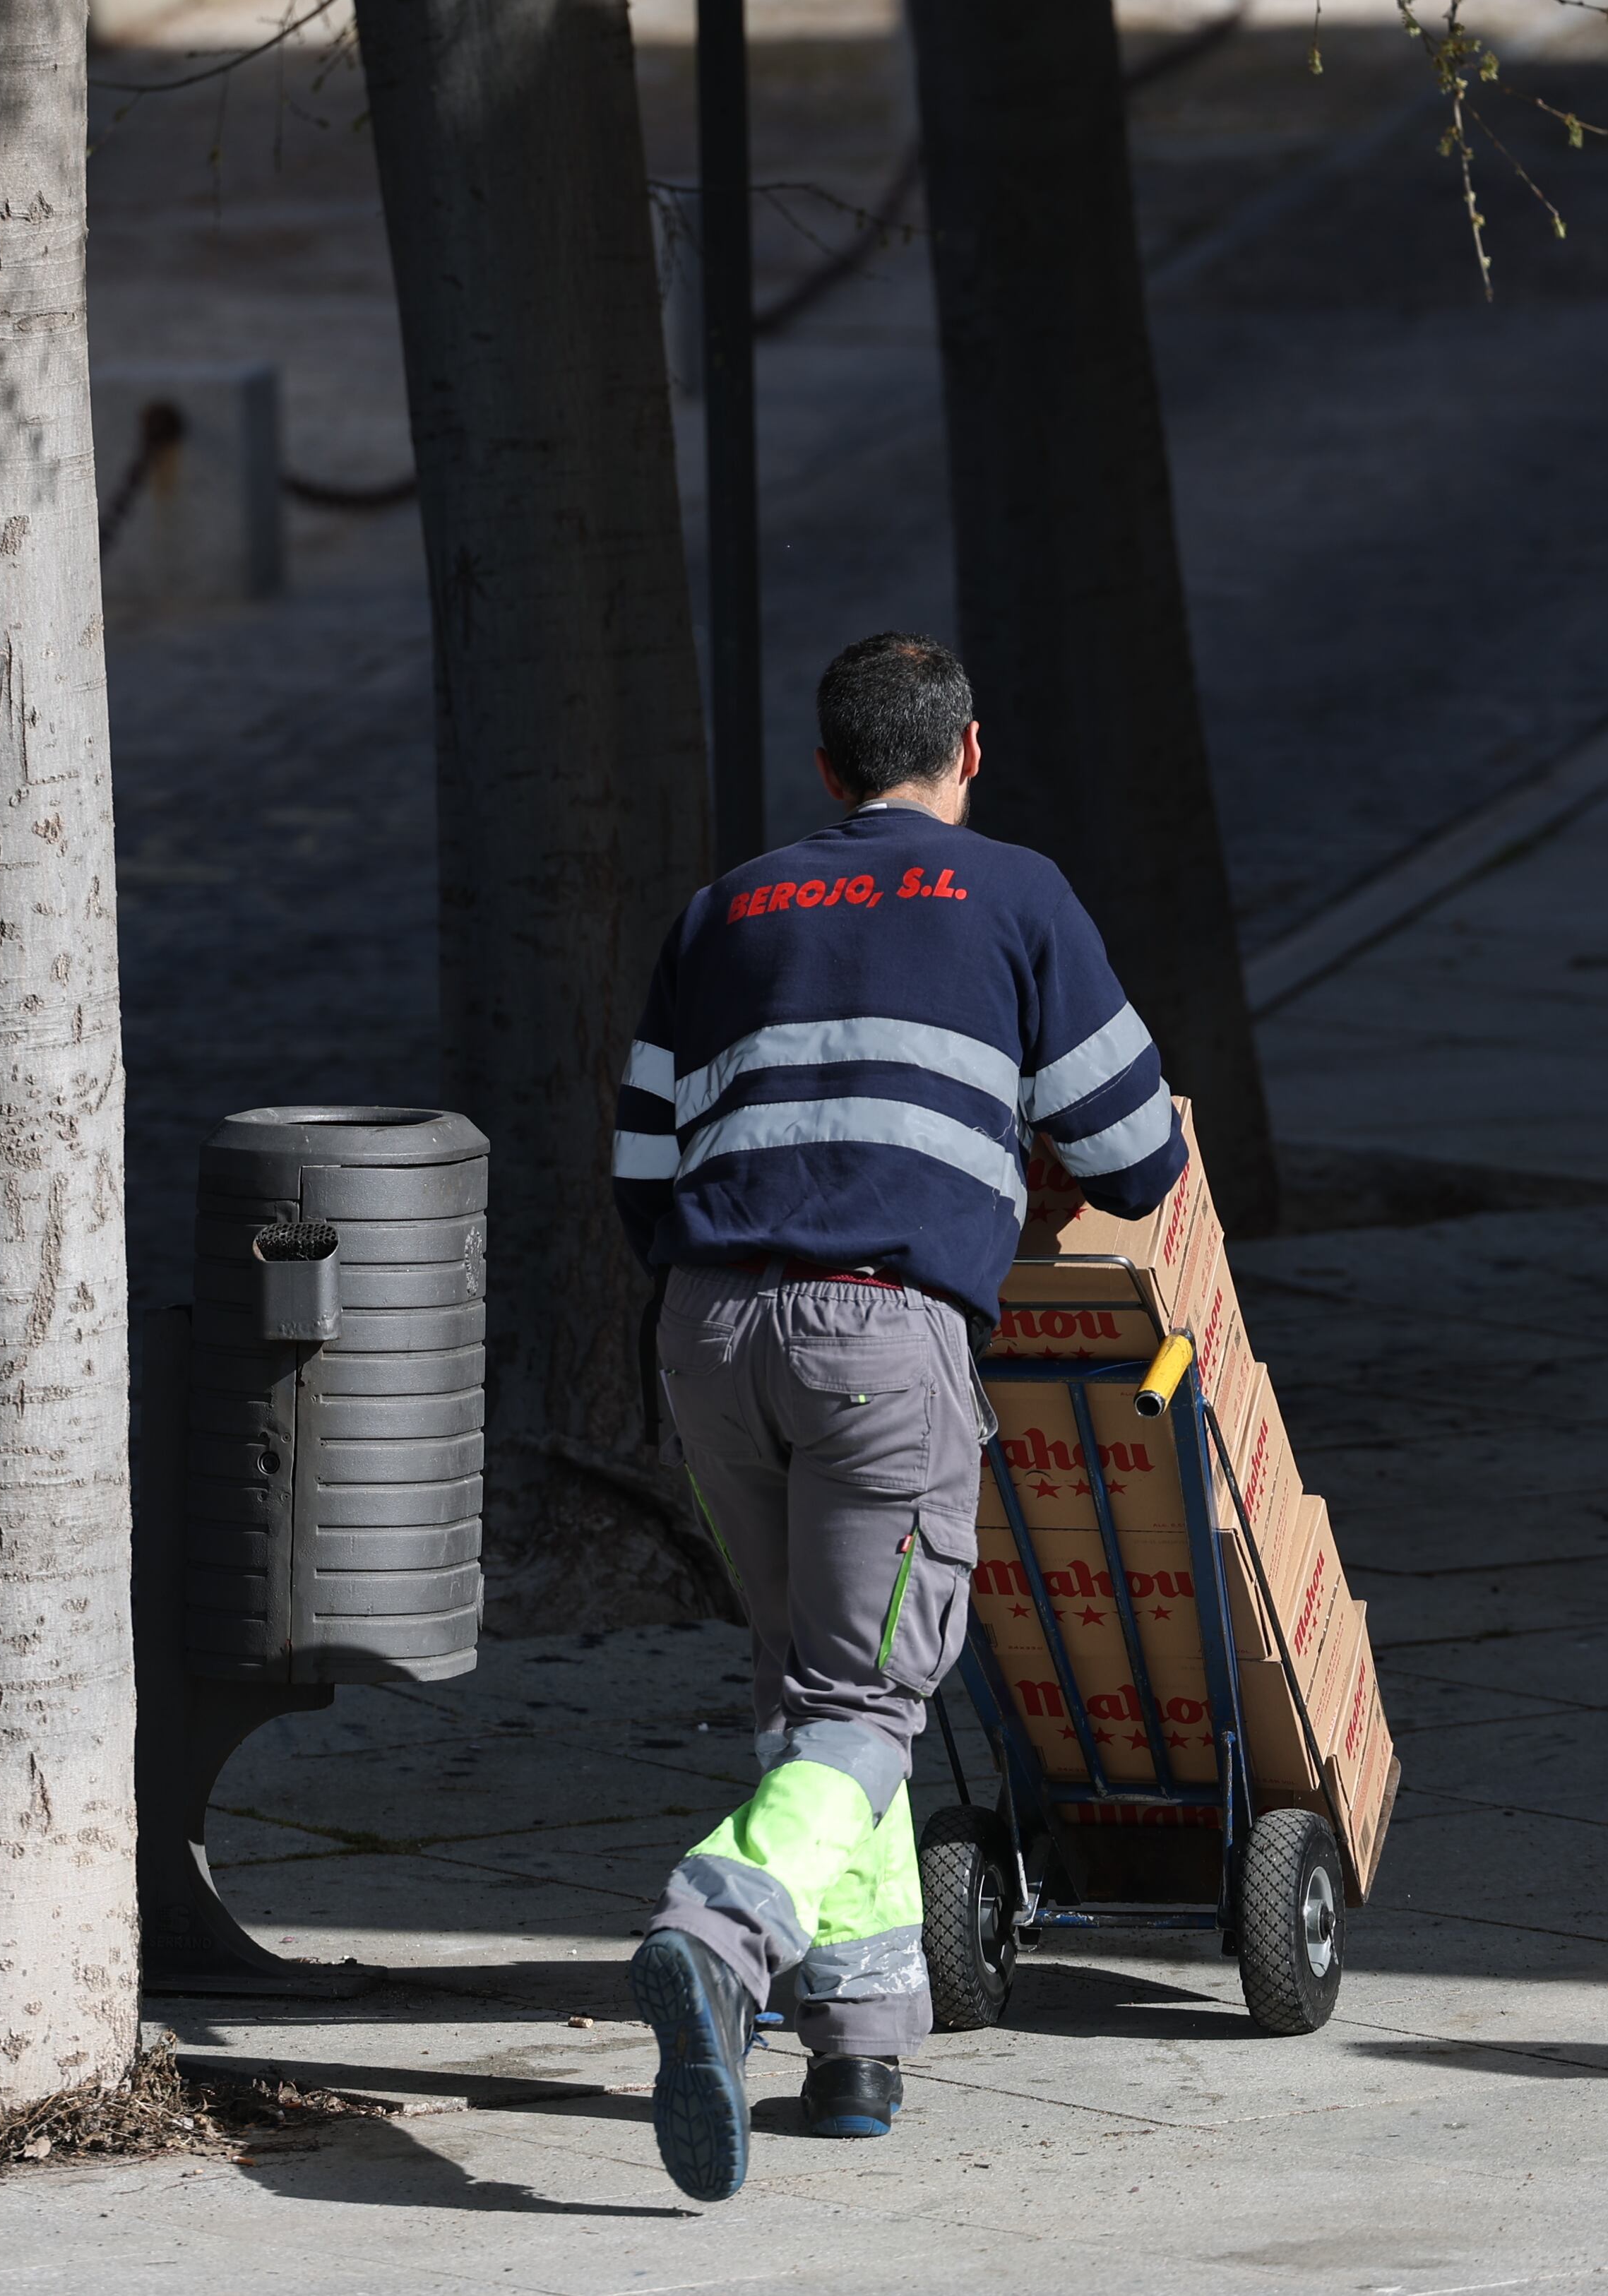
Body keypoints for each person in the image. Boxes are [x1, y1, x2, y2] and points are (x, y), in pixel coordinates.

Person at [609, 631, 1189, 2202]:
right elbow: (1139, 1152)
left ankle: (855, 2049)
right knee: (869, 1700)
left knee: (813, 1690)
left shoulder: (725, 904)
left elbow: (640, 1173)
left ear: (823, 772)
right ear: (969, 751)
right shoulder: (1014, 894)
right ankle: (717, 1930)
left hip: (709, 1327)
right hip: (883, 1332)